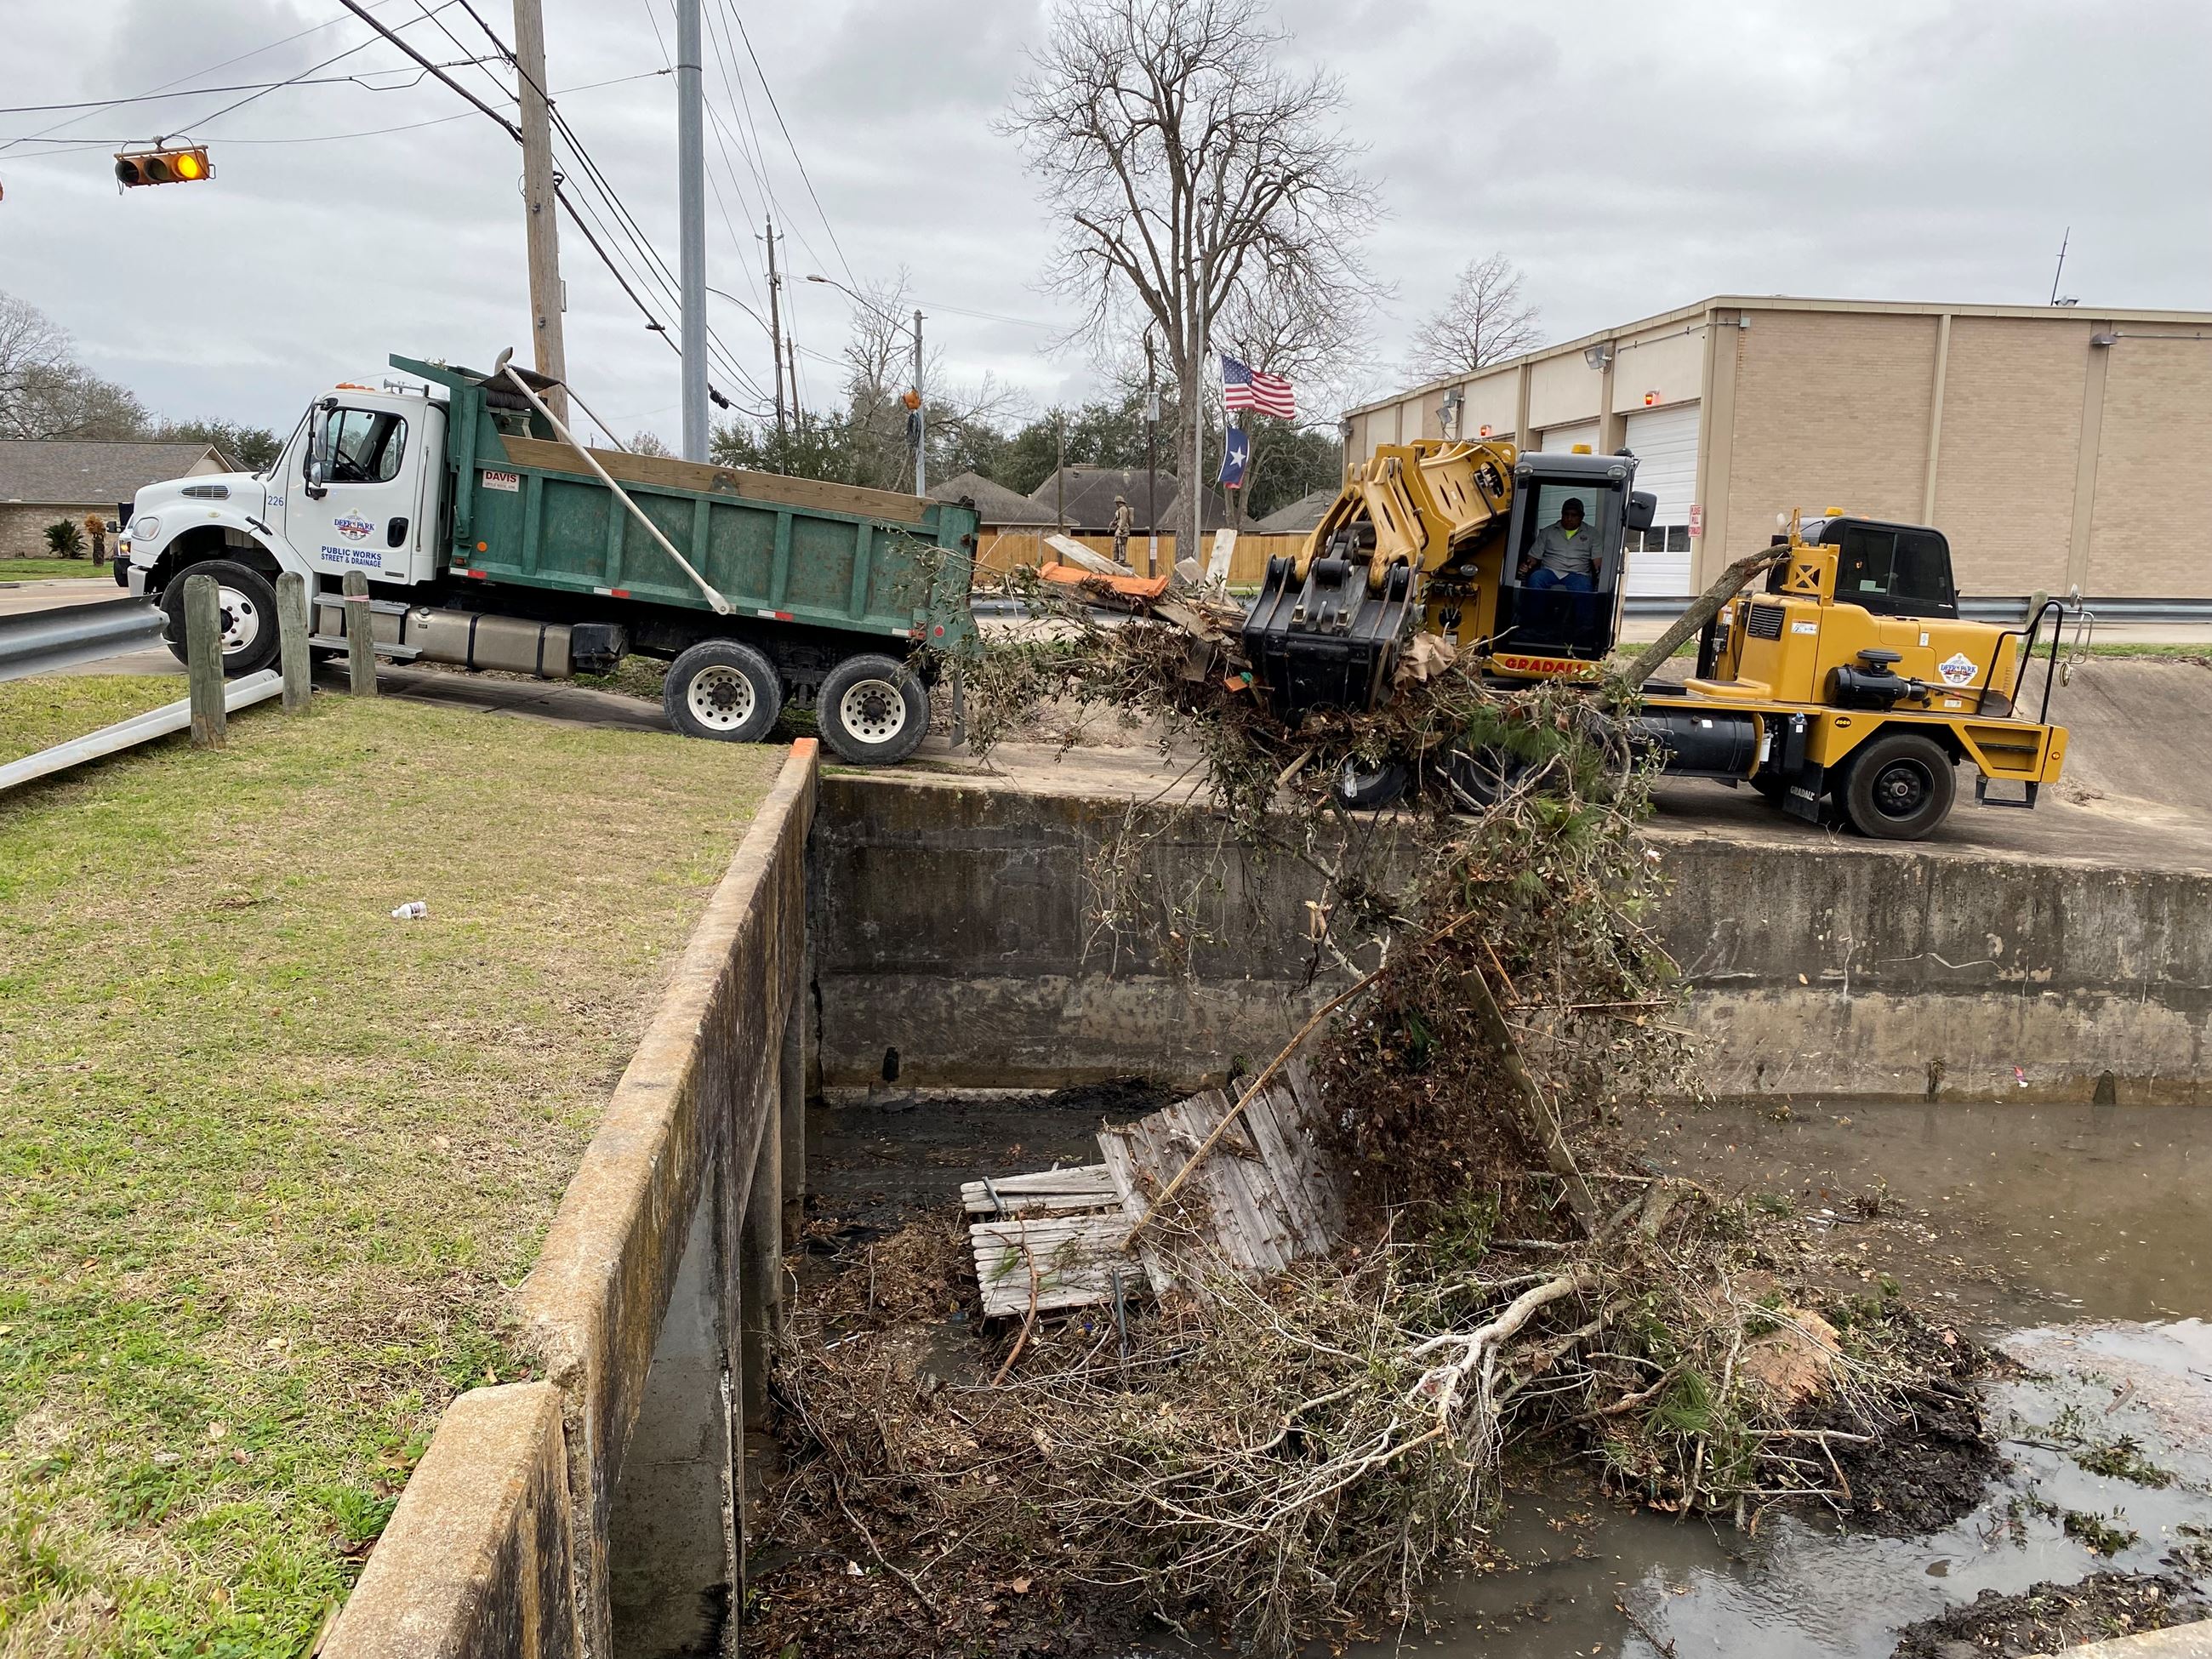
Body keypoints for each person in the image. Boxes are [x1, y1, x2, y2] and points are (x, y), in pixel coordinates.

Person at [1519, 497, 1597, 591]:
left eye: (1574, 515)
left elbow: (1598, 562)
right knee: (1536, 578)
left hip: (1578, 574)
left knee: (1584, 586)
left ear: (1582, 516)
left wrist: (1600, 573)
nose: (1569, 518)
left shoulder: (1592, 534)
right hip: (1550, 572)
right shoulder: (1548, 531)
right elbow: (1533, 557)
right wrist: (1526, 565)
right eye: (1566, 514)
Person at [1110, 494, 1134, 567]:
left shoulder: (1123, 509)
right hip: (1119, 529)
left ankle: (1122, 559)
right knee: (1117, 543)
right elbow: (1119, 520)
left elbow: (1123, 520)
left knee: (1121, 544)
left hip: (1123, 530)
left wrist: (1121, 529)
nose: (1116, 504)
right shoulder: (1119, 510)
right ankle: (1117, 558)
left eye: (1116, 502)